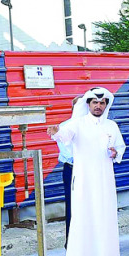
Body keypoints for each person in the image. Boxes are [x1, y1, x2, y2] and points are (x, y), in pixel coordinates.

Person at [48, 87, 125, 256]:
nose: (98, 106)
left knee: (104, 217)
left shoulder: (111, 126)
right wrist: (56, 131)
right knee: (82, 218)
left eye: (102, 103)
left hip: (105, 180)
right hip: (83, 180)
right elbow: (64, 135)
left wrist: (116, 153)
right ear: (88, 104)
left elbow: (120, 146)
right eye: (94, 103)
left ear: (106, 105)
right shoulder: (78, 123)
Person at [59, 97, 78, 247]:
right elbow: (69, 154)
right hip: (72, 170)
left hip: (93, 170)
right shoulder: (65, 127)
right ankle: (71, 245)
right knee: (72, 207)